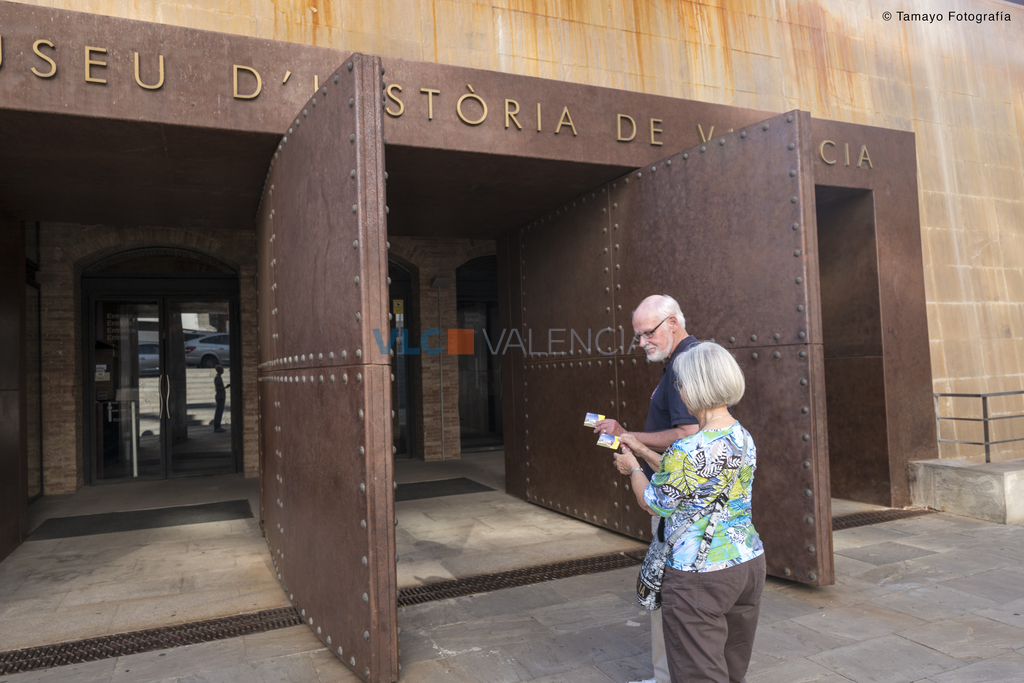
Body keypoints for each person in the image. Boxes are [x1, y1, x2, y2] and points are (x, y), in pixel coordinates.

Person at [614, 342, 765, 683]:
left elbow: (654, 500)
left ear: (693, 387)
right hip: (747, 561)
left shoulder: (686, 449)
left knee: (697, 672)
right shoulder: (742, 436)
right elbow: (691, 482)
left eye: (680, 384)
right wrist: (642, 450)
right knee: (730, 667)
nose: (679, 390)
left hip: (700, 572)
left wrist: (633, 468)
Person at [593, 294, 699, 683]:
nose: (641, 343)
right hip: (705, 523)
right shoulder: (686, 359)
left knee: (671, 599)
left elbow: (687, 436)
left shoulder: (685, 364)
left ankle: (665, 676)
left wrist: (632, 448)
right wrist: (628, 436)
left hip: (678, 508)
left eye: (646, 333)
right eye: (638, 336)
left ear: (671, 322)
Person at [213, 364, 229, 432]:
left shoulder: (219, 377)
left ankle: (218, 426)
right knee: (219, 411)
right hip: (220, 397)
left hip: (221, 396)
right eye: (222, 369)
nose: (223, 370)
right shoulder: (217, 378)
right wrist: (225, 387)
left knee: (220, 411)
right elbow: (217, 388)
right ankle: (217, 427)